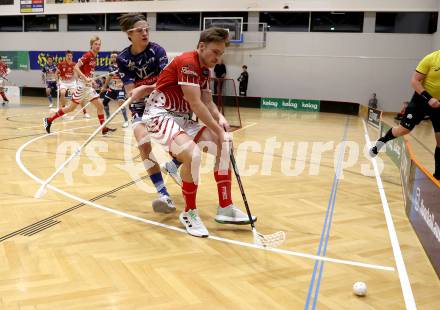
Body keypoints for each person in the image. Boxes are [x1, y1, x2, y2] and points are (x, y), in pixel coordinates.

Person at [143, 27, 257, 238]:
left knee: (225, 145)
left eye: (221, 53)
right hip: (159, 114)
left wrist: (220, 119)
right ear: (202, 46)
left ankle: (225, 207)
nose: (218, 57)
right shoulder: (188, 62)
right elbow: (195, 104)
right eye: (215, 52)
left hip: (183, 118)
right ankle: (190, 213)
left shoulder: (206, 69)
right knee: (192, 155)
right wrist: (217, 129)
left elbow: (207, 102)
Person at [116, 13, 181, 213]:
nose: (145, 33)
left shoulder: (157, 50)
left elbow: (164, 83)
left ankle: (174, 164)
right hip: (139, 108)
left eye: (146, 29)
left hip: (162, 104)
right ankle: (163, 194)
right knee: (144, 144)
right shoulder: (123, 58)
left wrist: (144, 89)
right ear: (129, 34)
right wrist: (136, 92)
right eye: (139, 30)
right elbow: (130, 92)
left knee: (181, 142)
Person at [370, 50, 440, 180]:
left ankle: (438, 176)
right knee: (404, 130)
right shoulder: (431, 58)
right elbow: (414, 81)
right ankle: (382, 141)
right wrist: (429, 98)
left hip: (439, 106)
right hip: (421, 100)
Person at [44, 36, 116, 135]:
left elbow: (88, 72)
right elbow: (76, 67)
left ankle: (103, 128)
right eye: (96, 44)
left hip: (88, 87)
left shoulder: (95, 56)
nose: (98, 46)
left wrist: (92, 81)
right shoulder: (87, 55)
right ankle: (49, 120)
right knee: (70, 108)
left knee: (100, 106)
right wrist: (84, 78)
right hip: (82, 86)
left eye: (99, 44)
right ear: (91, 45)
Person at [56, 50, 89, 118]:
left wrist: (78, 82)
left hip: (72, 83)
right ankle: (63, 109)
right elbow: (56, 73)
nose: (69, 57)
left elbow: (76, 74)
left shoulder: (74, 64)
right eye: (68, 55)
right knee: (62, 93)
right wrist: (57, 82)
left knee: (79, 96)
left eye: (70, 56)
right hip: (63, 82)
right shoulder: (61, 64)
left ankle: (85, 112)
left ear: (72, 56)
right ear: (65, 56)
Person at [101, 51, 129, 128]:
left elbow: (127, 76)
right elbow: (109, 77)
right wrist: (104, 86)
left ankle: (126, 121)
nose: (113, 58)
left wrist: (123, 83)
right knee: (105, 102)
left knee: (120, 102)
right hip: (112, 88)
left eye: (115, 56)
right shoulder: (111, 67)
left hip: (121, 88)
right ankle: (108, 116)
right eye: (112, 57)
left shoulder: (122, 65)